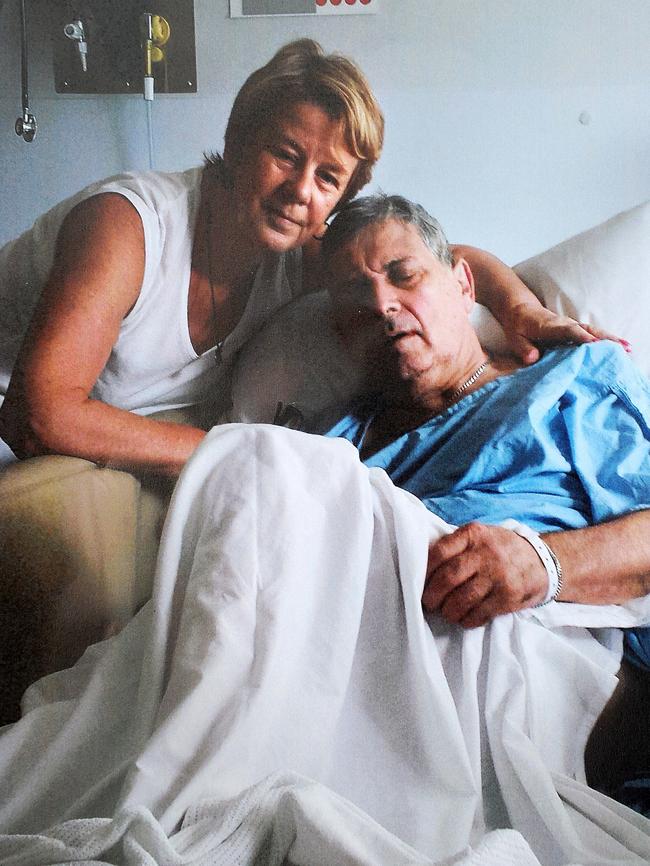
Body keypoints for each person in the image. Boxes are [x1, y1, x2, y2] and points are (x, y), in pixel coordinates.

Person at [0, 39, 606, 476]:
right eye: (286, 155)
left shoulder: (297, 245)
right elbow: (39, 413)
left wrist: (523, 312)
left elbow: (436, 261)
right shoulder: (126, 226)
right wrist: (234, 449)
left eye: (329, 178)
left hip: (141, 452)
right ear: (238, 143)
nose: (301, 191)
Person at [318, 192, 650, 806]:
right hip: (357, 683)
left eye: (404, 276)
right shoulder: (337, 443)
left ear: (464, 285)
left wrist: (543, 564)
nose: (383, 307)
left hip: (539, 675)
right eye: (357, 306)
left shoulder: (572, 382)